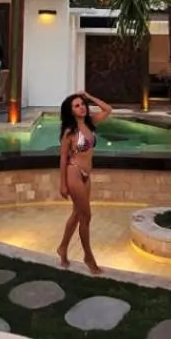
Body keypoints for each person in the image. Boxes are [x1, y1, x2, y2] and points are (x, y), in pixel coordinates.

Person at [57, 90, 111, 275]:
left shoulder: (91, 123)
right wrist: (62, 184)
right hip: (74, 173)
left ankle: (63, 248)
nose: (81, 108)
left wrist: (89, 96)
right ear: (70, 111)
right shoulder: (69, 132)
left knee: (77, 214)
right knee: (86, 217)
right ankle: (88, 256)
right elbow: (63, 158)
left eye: (82, 104)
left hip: (87, 175)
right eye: (77, 105)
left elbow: (108, 109)